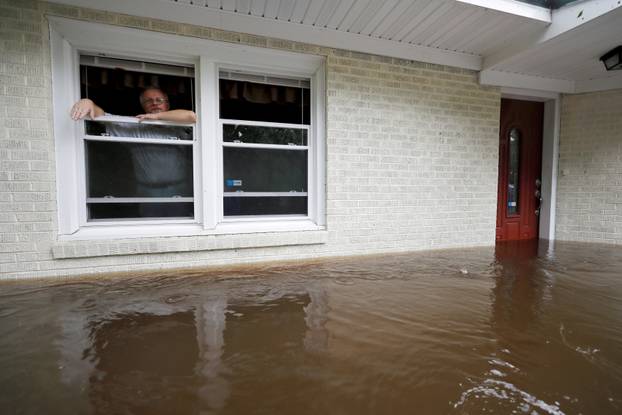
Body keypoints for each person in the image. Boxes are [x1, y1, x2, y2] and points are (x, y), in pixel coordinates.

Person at [70, 87, 197, 218]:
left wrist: (156, 117)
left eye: (159, 100)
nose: (154, 103)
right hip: (147, 192)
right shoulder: (135, 127)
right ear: (143, 106)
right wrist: (88, 102)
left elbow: (191, 116)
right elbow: (101, 116)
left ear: (167, 104)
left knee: (179, 227)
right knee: (151, 229)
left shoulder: (180, 128)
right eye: (148, 101)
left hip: (179, 190)